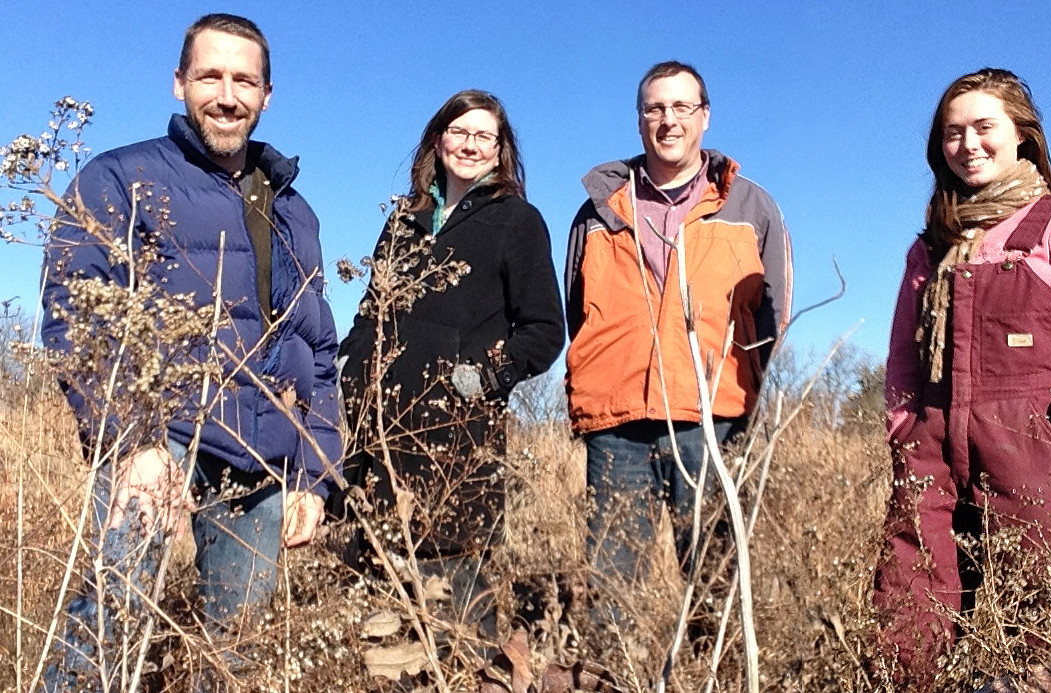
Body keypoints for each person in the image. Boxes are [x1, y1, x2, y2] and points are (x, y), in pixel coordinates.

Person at [39, 13, 342, 690]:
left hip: (261, 457)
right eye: (211, 75)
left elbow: (318, 355)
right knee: (103, 631)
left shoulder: (297, 211)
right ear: (179, 82)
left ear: (268, 94)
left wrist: (313, 476)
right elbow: (74, 314)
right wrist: (133, 438)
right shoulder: (121, 177)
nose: (227, 94)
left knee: (231, 658)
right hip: (158, 438)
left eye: (245, 79)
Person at [872, 68, 1051, 685]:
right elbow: (903, 357)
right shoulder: (931, 246)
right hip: (931, 445)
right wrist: (905, 431)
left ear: (1022, 134)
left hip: (1034, 445)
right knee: (907, 610)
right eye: (952, 133)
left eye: (983, 127)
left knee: (1042, 620)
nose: (968, 144)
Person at [563, 61, 793, 612]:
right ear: (640, 119)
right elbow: (579, 308)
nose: (668, 120)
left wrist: (740, 404)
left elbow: (774, 314)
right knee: (611, 600)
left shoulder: (751, 206)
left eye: (681, 107)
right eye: (654, 108)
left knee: (717, 594)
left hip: (710, 422)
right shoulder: (597, 210)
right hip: (617, 425)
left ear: (705, 117)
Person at [336, 90, 564, 637]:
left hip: (457, 446)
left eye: (484, 136)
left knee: (456, 623)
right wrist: (349, 373)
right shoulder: (403, 221)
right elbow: (373, 312)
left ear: (499, 150)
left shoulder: (517, 222)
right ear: (438, 141)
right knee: (381, 623)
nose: (470, 144)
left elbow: (544, 330)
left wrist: (484, 378)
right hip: (381, 441)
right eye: (459, 132)